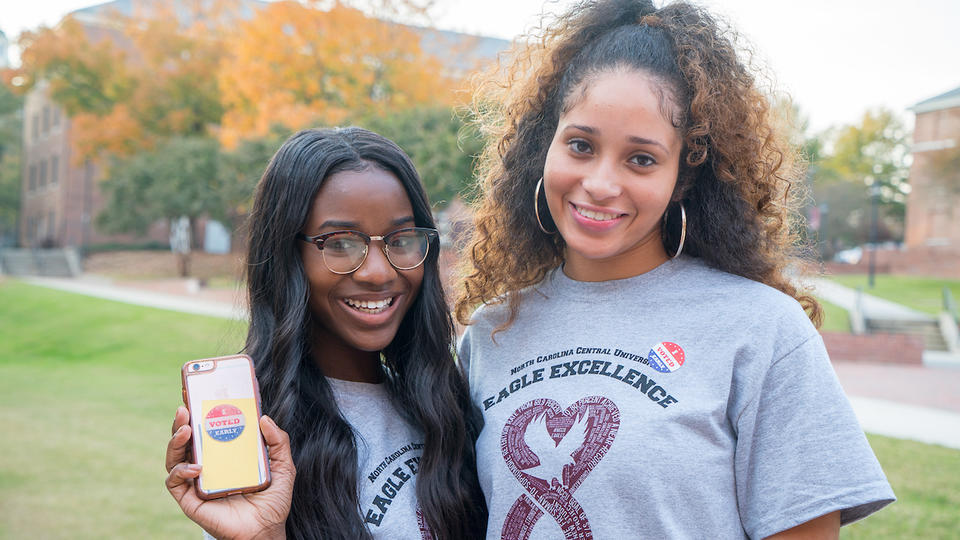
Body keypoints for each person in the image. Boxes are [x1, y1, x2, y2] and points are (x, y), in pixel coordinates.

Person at [455, 1, 895, 538]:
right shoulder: (489, 333)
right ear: (542, 148)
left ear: (683, 178)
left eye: (641, 159)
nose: (600, 182)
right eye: (580, 145)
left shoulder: (763, 330)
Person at [165, 127, 487, 539]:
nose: (378, 272)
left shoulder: (447, 402)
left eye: (400, 239)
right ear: (286, 256)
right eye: (340, 243)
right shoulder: (262, 437)